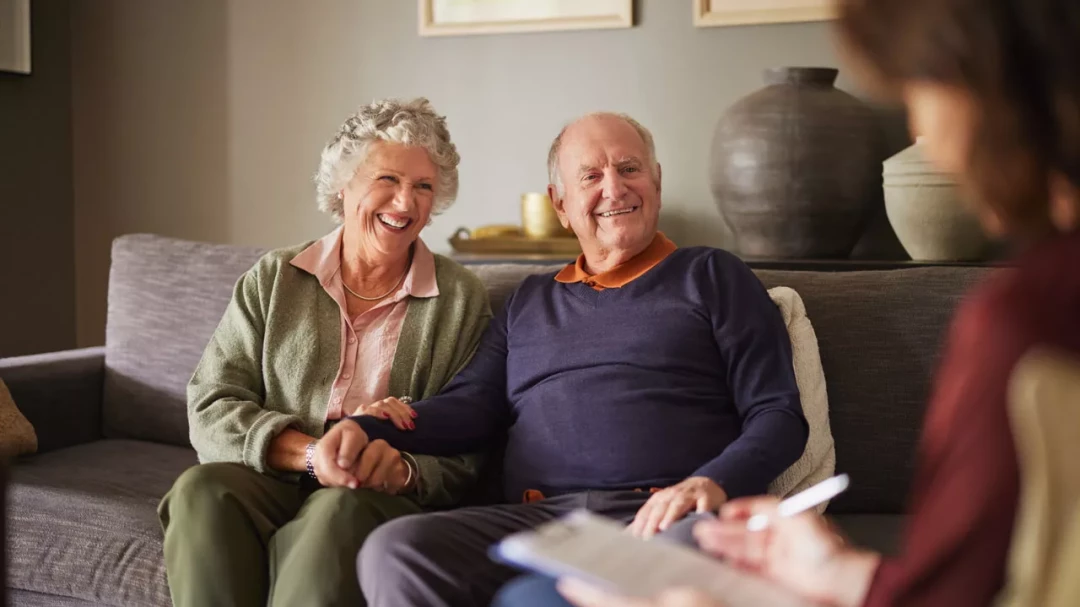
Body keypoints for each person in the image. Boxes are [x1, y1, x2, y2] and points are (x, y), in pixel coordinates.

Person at [546, 0, 1080, 605]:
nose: (916, 129)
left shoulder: (1028, 320)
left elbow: (949, 590)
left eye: (921, 89)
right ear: (560, 202)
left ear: (994, 95)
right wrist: (841, 574)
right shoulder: (1034, 306)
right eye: (590, 175)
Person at [312, 111, 812, 607]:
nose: (614, 189)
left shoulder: (711, 275)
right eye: (591, 176)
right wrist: (370, 428)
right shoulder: (529, 302)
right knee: (397, 551)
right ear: (561, 204)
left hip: (662, 515)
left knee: (612, 583)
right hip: (542, 521)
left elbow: (778, 415)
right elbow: (470, 408)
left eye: (630, 169)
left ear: (656, 182)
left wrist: (712, 483)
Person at [157, 98, 492, 607]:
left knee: (338, 512)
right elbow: (210, 405)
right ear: (344, 184)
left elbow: (473, 444)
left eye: (422, 186)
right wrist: (312, 455)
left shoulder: (462, 300)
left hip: (370, 495)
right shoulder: (274, 279)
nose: (405, 204)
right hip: (275, 475)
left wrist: (403, 469)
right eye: (387, 180)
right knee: (201, 490)